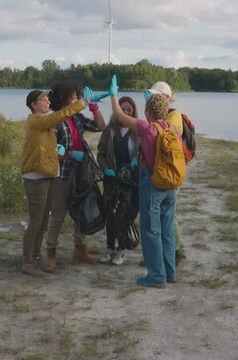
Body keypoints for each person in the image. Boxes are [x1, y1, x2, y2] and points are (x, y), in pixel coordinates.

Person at [110, 76, 176, 288]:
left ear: (148, 112)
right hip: (171, 183)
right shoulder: (171, 127)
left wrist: (113, 94)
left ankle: (156, 276)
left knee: (151, 229)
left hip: (153, 181)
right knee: (166, 228)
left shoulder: (147, 128)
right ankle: (169, 271)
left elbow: (119, 116)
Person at [19, 89, 94, 276]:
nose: (47, 101)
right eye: (42, 100)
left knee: (43, 222)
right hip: (35, 179)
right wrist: (82, 103)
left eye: (47, 99)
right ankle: (27, 261)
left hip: (47, 176)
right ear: (33, 105)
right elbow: (59, 116)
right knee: (36, 222)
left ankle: (37, 258)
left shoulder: (45, 123)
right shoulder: (37, 120)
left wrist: (58, 151)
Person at [45, 79, 106, 270]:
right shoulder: (55, 120)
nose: (77, 99)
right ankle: (51, 253)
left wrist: (94, 108)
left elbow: (100, 126)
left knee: (81, 212)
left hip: (82, 173)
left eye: (77, 96)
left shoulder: (76, 118)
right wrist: (70, 154)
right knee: (58, 215)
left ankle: (80, 250)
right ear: (63, 98)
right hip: (63, 175)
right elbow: (53, 150)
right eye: (73, 96)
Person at [145, 81, 188, 267]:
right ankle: (163, 255)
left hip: (170, 172)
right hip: (163, 171)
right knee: (163, 215)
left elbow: (162, 135)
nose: (152, 99)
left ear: (167, 98)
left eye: (156, 96)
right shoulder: (165, 115)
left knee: (168, 215)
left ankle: (177, 251)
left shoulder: (174, 116)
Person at [97, 96, 141, 265]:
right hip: (111, 179)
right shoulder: (109, 131)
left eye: (129, 110)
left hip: (129, 181)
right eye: (123, 109)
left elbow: (143, 153)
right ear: (117, 110)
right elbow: (100, 153)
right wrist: (104, 167)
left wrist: (134, 163)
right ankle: (109, 248)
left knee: (124, 215)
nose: (126, 112)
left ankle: (121, 250)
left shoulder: (137, 131)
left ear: (133, 112)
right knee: (110, 213)